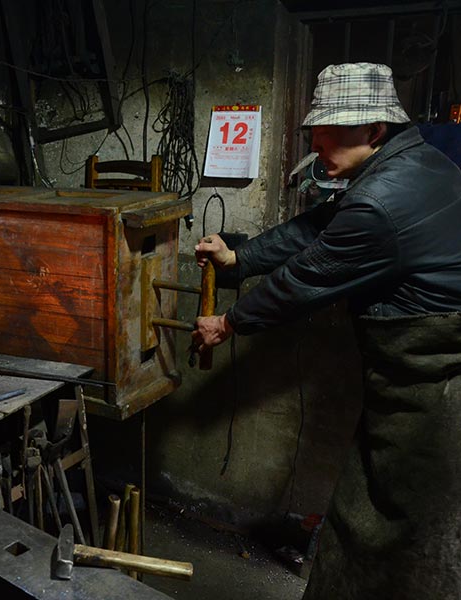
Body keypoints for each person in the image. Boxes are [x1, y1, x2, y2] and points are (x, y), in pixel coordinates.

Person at [193, 62, 461, 598]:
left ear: (374, 130)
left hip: (439, 390)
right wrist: (239, 258)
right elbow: (316, 227)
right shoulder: (414, 161)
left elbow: (304, 279)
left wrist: (228, 321)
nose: (317, 140)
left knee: (409, 530)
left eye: (331, 128)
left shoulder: (383, 200)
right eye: (316, 126)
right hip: (414, 380)